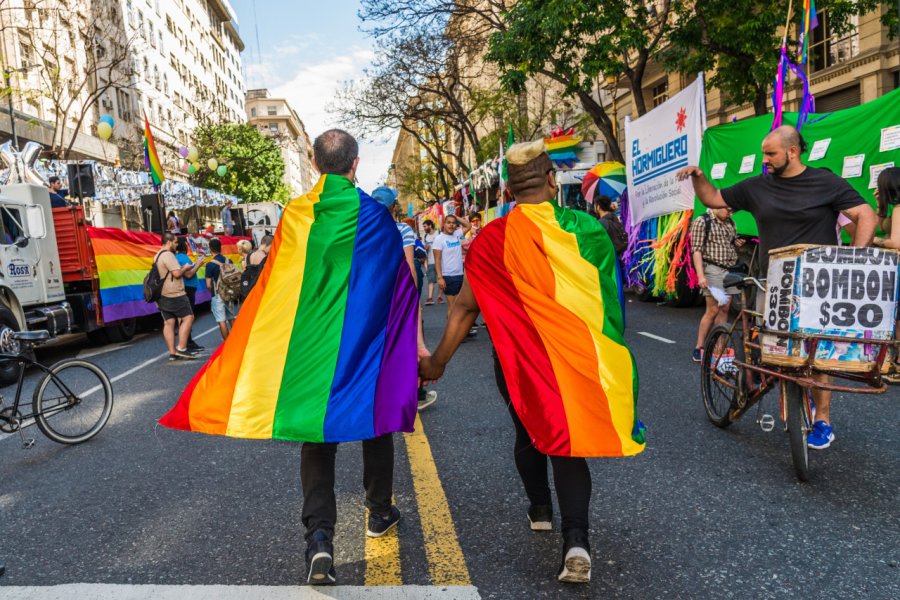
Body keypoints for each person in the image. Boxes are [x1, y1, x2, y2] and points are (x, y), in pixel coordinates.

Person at [419, 140, 645, 584]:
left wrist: (438, 362)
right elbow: (607, 298)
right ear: (550, 180)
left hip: (519, 362)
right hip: (578, 356)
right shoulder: (586, 230)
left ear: (505, 191)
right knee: (567, 439)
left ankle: (540, 509)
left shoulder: (490, 240)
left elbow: (465, 308)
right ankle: (576, 540)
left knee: (529, 427)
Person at [676, 124, 877, 450]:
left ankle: (822, 419)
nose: (765, 160)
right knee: (778, 354)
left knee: (819, 354)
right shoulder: (758, 186)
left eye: (770, 153)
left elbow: (866, 215)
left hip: (819, 286)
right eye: (763, 154)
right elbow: (713, 197)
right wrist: (698, 175)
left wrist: (854, 260)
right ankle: (773, 389)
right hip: (775, 284)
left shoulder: (826, 182)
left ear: (793, 152)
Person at [371, 185, 437, 411]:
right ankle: (416, 394)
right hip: (399, 297)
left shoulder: (365, 230)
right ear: (395, 207)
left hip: (375, 301)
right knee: (410, 343)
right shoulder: (402, 230)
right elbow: (410, 269)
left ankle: (385, 393)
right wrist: (413, 299)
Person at [689, 207, 741, 362]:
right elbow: (696, 250)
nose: (730, 213)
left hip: (729, 269)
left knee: (725, 308)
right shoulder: (702, 221)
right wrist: (701, 276)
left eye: (732, 211)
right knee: (712, 309)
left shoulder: (730, 222)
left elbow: (728, 244)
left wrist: (736, 243)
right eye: (728, 210)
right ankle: (699, 347)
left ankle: (719, 347)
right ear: (717, 206)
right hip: (712, 268)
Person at [154, 232, 196, 361]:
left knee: (169, 322)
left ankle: (172, 353)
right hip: (175, 293)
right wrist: (186, 267)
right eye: (175, 242)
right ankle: (182, 348)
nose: (177, 245)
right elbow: (177, 274)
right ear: (169, 242)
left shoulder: (157, 255)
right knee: (189, 317)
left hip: (162, 294)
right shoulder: (168, 255)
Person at [432, 213, 471, 317]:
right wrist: (440, 277)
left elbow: (468, 226)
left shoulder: (457, 234)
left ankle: (457, 331)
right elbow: (437, 259)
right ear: (444, 224)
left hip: (459, 275)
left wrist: (455, 216)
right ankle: (452, 332)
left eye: (454, 223)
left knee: (459, 305)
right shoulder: (439, 239)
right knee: (453, 306)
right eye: (448, 222)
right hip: (448, 276)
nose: (451, 225)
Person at [174, 238, 206, 353]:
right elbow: (188, 274)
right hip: (188, 288)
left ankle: (189, 341)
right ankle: (187, 343)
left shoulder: (177, 257)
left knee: (187, 316)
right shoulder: (182, 257)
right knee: (188, 316)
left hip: (186, 288)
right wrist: (198, 264)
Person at [205, 237, 236, 341]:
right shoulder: (229, 260)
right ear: (220, 248)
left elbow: (208, 285)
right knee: (231, 317)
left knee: (221, 320)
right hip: (230, 293)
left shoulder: (210, 265)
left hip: (217, 294)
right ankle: (237, 339)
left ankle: (227, 344)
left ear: (210, 249)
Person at [241, 234, 272, 300]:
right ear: (270, 244)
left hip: (248, 291)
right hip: (260, 293)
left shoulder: (248, 256)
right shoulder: (265, 258)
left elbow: (244, 271)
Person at [422, 219, 443, 305]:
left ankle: (439, 297)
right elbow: (424, 252)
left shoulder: (439, 234)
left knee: (441, 279)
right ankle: (429, 298)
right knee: (431, 280)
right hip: (430, 261)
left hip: (441, 261)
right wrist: (425, 248)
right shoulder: (425, 236)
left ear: (430, 226)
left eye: (425, 226)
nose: (424, 228)